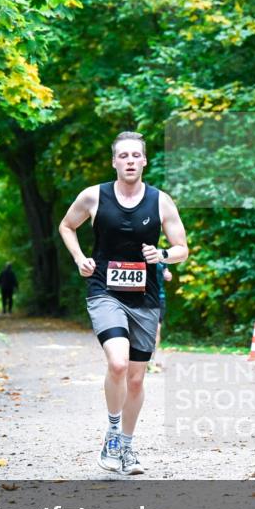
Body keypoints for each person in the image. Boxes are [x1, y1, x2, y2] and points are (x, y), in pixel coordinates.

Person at [58, 131, 188, 475]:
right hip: (105, 292)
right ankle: (113, 434)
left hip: (145, 300)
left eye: (136, 156)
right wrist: (79, 258)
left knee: (135, 379)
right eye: (124, 156)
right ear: (115, 161)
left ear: (144, 161)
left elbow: (181, 248)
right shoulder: (93, 196)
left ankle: (127, 447)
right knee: (117, 363)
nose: (130, 161)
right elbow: (67, 226)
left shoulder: (161, 201)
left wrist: (161, 254)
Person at [148, 262, 172, 372]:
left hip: (158, 298)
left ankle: (151, 360)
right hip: (140, 297)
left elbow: (167, 272)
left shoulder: (161, 256)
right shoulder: (137, 252)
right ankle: (134, 359)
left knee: (156, 330)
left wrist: (167, 274)